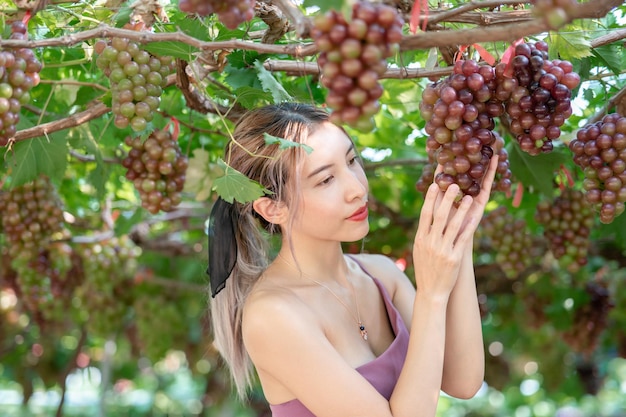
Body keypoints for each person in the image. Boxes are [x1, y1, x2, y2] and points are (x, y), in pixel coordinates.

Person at [208, 102, 498, 417]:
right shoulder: (274, 313)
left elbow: (463, 380)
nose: (357, 189)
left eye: (351, 160)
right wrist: (432, 293)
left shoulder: (380, 274)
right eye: (325, 180)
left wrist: (460, 232)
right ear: (273, 208)